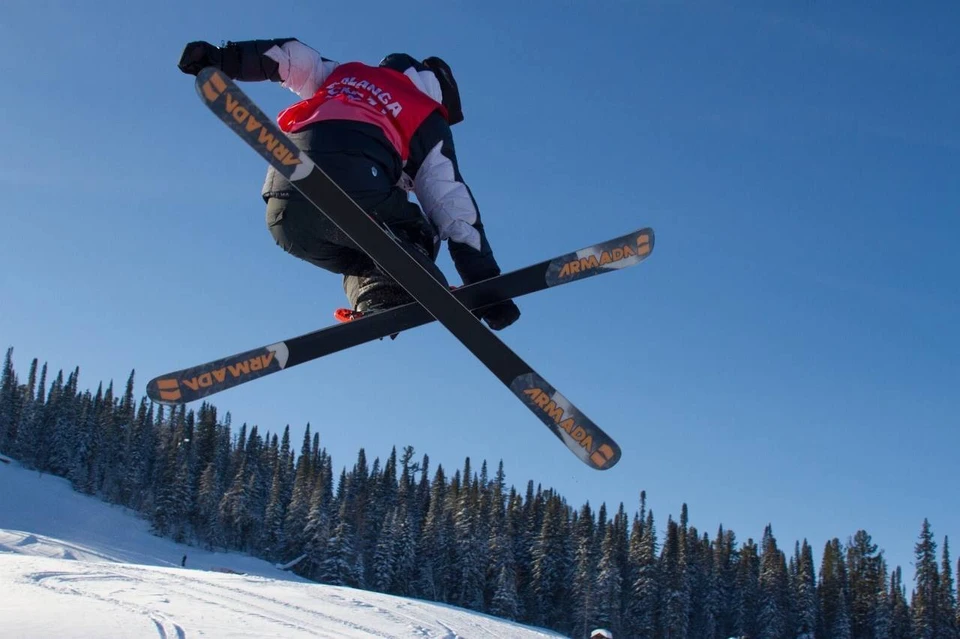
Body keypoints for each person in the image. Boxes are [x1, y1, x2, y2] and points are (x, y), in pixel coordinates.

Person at [177, 38, 520, 329]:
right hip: (356, 182)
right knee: (414, 230)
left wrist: (222, 60)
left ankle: (378, 292)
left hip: (285, 209)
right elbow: (451, 204)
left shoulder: (343, 73)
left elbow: (290, 57)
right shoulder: (426, 115)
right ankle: (403, 271)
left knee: (364, 251)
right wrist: (487, 289)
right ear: (439, 92)